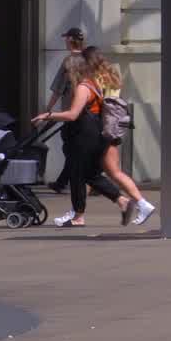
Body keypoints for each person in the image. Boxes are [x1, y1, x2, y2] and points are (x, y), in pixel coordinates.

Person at [33, 54, 126, 227]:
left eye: (67, 71)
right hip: (95, 133)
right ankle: (120, 200)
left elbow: (73, 114)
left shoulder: (83, 87)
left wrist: (48, 115)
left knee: (78, 174)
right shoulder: (94, 84)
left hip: (84, 135)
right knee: (88, 174)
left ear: (74, 70)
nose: (66, 75)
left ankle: (79, 216)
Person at [85, 49, 156, 226]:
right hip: (113, 128)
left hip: (103, 129)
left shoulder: (96, 78)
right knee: (104, 172)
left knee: (108, 172)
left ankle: (142, 203)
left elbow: (95, 102)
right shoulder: (112, 75)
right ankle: (134, 203)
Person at [44, 26, 90, 194]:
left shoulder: (69, 62)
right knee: (78, 148)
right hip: (89, 111)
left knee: (70, 148)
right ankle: (63, 182)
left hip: (71, 111)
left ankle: (81, 181)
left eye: (66, 38)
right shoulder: (89, 59)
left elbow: (58, 89)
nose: (65, 41)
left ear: (70, 40)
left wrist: (48, 109)